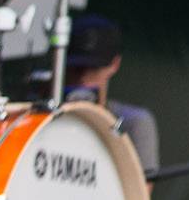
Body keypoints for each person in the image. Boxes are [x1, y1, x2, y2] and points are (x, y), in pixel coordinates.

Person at [59, 13, 160, 179]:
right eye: (77, 68)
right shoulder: (43, 118)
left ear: (115, 64)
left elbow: (138, 193)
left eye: (94, 68)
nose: (83, 78)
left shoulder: (133, 122)